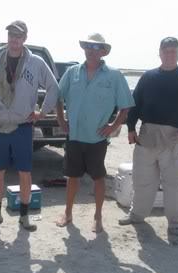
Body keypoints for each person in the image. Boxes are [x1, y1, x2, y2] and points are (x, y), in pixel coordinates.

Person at [0, 20, 59, 231]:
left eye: (18, 36)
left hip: (23, 126)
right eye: (11, 35)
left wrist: (42, 112)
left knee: (24, 172)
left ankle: (24, 216)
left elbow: (54, 88)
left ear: (25, 38)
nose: (14, 40)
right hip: (0, 125)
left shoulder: (36, 63)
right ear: (7, 37)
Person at [119, 37, 178, 236]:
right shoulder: (148, 77)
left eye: (173, 51)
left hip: (174, 137)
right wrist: (131, 128)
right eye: (166, 51)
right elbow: (135, 103)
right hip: (147, 135)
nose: (169, 54)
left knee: (176, 184)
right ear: (159, 53)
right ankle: (137, 216)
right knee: (142, 181)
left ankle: (176, 225)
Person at [56, 33, 135, 233]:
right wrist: (61, 120)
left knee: (98, 178)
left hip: (97, 138)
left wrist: (113, 126)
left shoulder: (114, 76)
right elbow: (58, 97)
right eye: (88, 47)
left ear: (103, 51)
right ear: (84, 49)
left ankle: (98, 217)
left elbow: (125, 106)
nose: (91, 51)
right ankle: (68, 213)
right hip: (74, 136)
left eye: (96, 47)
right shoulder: (72, 72)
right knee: (72, 177)